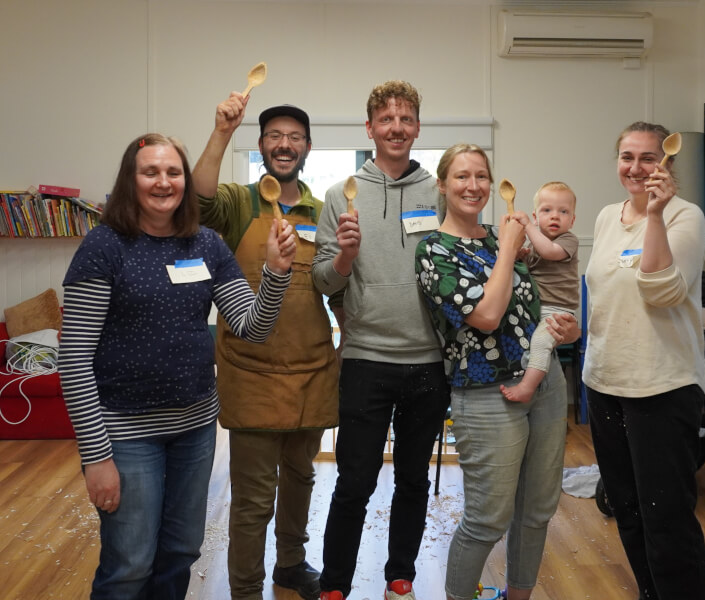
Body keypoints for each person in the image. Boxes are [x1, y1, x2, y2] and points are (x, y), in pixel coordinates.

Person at [58, 133, 296, 600]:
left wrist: (276, 273)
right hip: (126, 432)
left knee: (180, 552)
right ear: (131, 179)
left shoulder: (205, 244)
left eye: (173, 172)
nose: (163, 182)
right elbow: (73, 361)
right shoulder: (104, 246)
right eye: (151, 172)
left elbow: (252, 326)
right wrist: (96, 457)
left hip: (194, 428)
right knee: (129, 564)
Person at [414, 144, 579, 600]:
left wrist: (564, 327)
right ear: (443, 185)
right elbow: (486, 315)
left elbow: (530, 308)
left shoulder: (497, 235)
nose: (474, 186)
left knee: (538, 509)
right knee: (487, 519)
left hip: (544, 383)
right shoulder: (434, 250)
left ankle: (518, 596)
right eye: (462, 177)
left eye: (482, 176)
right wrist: (507, 248)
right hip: (486, 392)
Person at [192, 92, 340, 600]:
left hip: (313, 368)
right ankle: (246, 589)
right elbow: (199, 200)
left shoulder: (321, 211)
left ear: (308, 147)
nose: (285, 144)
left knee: (301, 479)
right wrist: (221, 132)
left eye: (294, 137)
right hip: (251, 370)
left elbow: (336, 282)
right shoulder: (238, 201)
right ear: (261, 146)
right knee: (254, 497)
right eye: (275, 136)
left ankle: (292, 564)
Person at [311, 80, 451, 600]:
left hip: (428, 364)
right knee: (354, 483)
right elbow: (323, 281)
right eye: (386, 119)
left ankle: (401, 575)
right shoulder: (340, 195)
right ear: (369, 128)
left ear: (418, 127)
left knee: (414, 481)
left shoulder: (439, 193)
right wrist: (344, 257)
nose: (397, 128)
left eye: (406, 119)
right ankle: (334, 585)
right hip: (366, 360)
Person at [583, 121, 705, 600]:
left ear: (667, 163)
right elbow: (603, 295)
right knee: (629, 510)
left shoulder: (685, 216)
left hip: (662, 387)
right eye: (626, 157)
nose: (635, 168)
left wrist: (655, 215)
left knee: (667, 518)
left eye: (647, 158)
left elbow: (662, 292)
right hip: (604, 381)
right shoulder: (604, 217)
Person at [501, 181, 579, 403]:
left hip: (558, 311)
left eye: (563, 211)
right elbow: (528, 265)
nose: (555, 216)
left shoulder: (568, 240)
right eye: (547, 210)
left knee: (541, 343)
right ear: (537, 215)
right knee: (530, 343)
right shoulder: (535, 244)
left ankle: (528, 386)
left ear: (572, 220)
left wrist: (527, 227)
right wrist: (520, 254)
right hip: (537, 309)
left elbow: (548, 251)